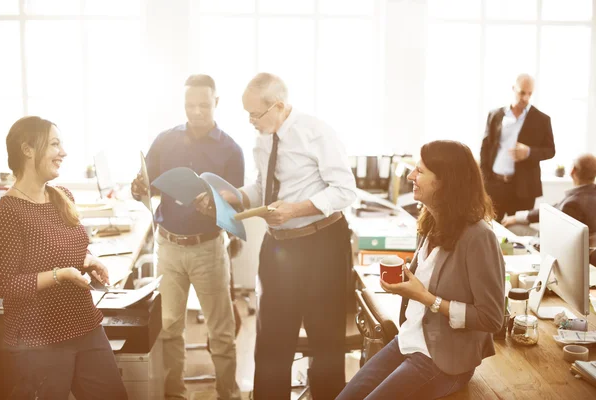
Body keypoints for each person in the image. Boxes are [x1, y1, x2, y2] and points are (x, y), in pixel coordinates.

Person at [337, 140, 505, 400]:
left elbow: (492, 318)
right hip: (409, 340)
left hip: (443, 360)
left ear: (445, 182)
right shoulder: (431, 221)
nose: (410, 176)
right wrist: (405, 283)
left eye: (420, 171)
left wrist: (427, 298)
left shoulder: (479, 237)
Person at [231, 72, 357, 399]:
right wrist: (231, 196)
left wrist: (296, 210)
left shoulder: (316, 133)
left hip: (322, 245)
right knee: (271, 341)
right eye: (247, 114)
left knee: (325, 341)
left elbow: (344, 191)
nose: (250, 121)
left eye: (255, 114)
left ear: (279, 106)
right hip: (278, 247)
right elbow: (263, 188)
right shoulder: (263, 138)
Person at [0, 116, 127, 399]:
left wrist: (87, 258)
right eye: (55, 144)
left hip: (84, 324)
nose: (63, 152)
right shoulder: (9, 211)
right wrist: (60, 275)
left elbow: (70, 246)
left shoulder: (62, 195)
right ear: (27, 149)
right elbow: (5, 285)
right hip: (38, 339)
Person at [131, 74, 244, 400]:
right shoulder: (165, 140)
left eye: (203, 105)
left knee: (221, 333)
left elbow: (235, 207)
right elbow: (147, 187)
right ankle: (173, 395)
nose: (196, 111)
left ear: (216, 103)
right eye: (189, 105)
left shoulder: (231, 150)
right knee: (168, 329)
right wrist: (138, 188)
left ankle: (228, 394)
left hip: (207, 248)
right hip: (168, 246)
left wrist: (214, 207)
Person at [480, 73, 555, 221]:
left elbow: (551, 150)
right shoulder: (495, 114)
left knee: (518, 233)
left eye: (529, 94)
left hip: (523, 188)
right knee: (491, 228)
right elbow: (485, 148)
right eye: (522, 93)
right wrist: (485, 178)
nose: (525, 98)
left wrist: (529, 152)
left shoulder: (542, 119)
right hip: (495, 185)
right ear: (514, 89)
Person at [502, 153, 596, 237]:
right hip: (588, 251)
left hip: (551, 244)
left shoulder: (572, 204)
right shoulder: (580, 197)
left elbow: (558, 235)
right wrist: (517, 217)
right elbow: (552, 209)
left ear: (573, 171)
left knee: (512, 227)